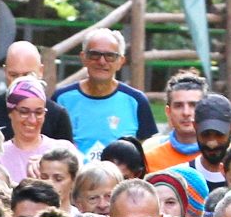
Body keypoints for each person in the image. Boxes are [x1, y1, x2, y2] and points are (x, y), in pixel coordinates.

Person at [55, 29, 157, 159]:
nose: (102, 61)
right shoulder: (61, 99)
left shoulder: (136, 101)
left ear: (120, 61)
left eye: (110, 56)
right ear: (83, 58)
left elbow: (147, 151)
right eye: (95, 54)